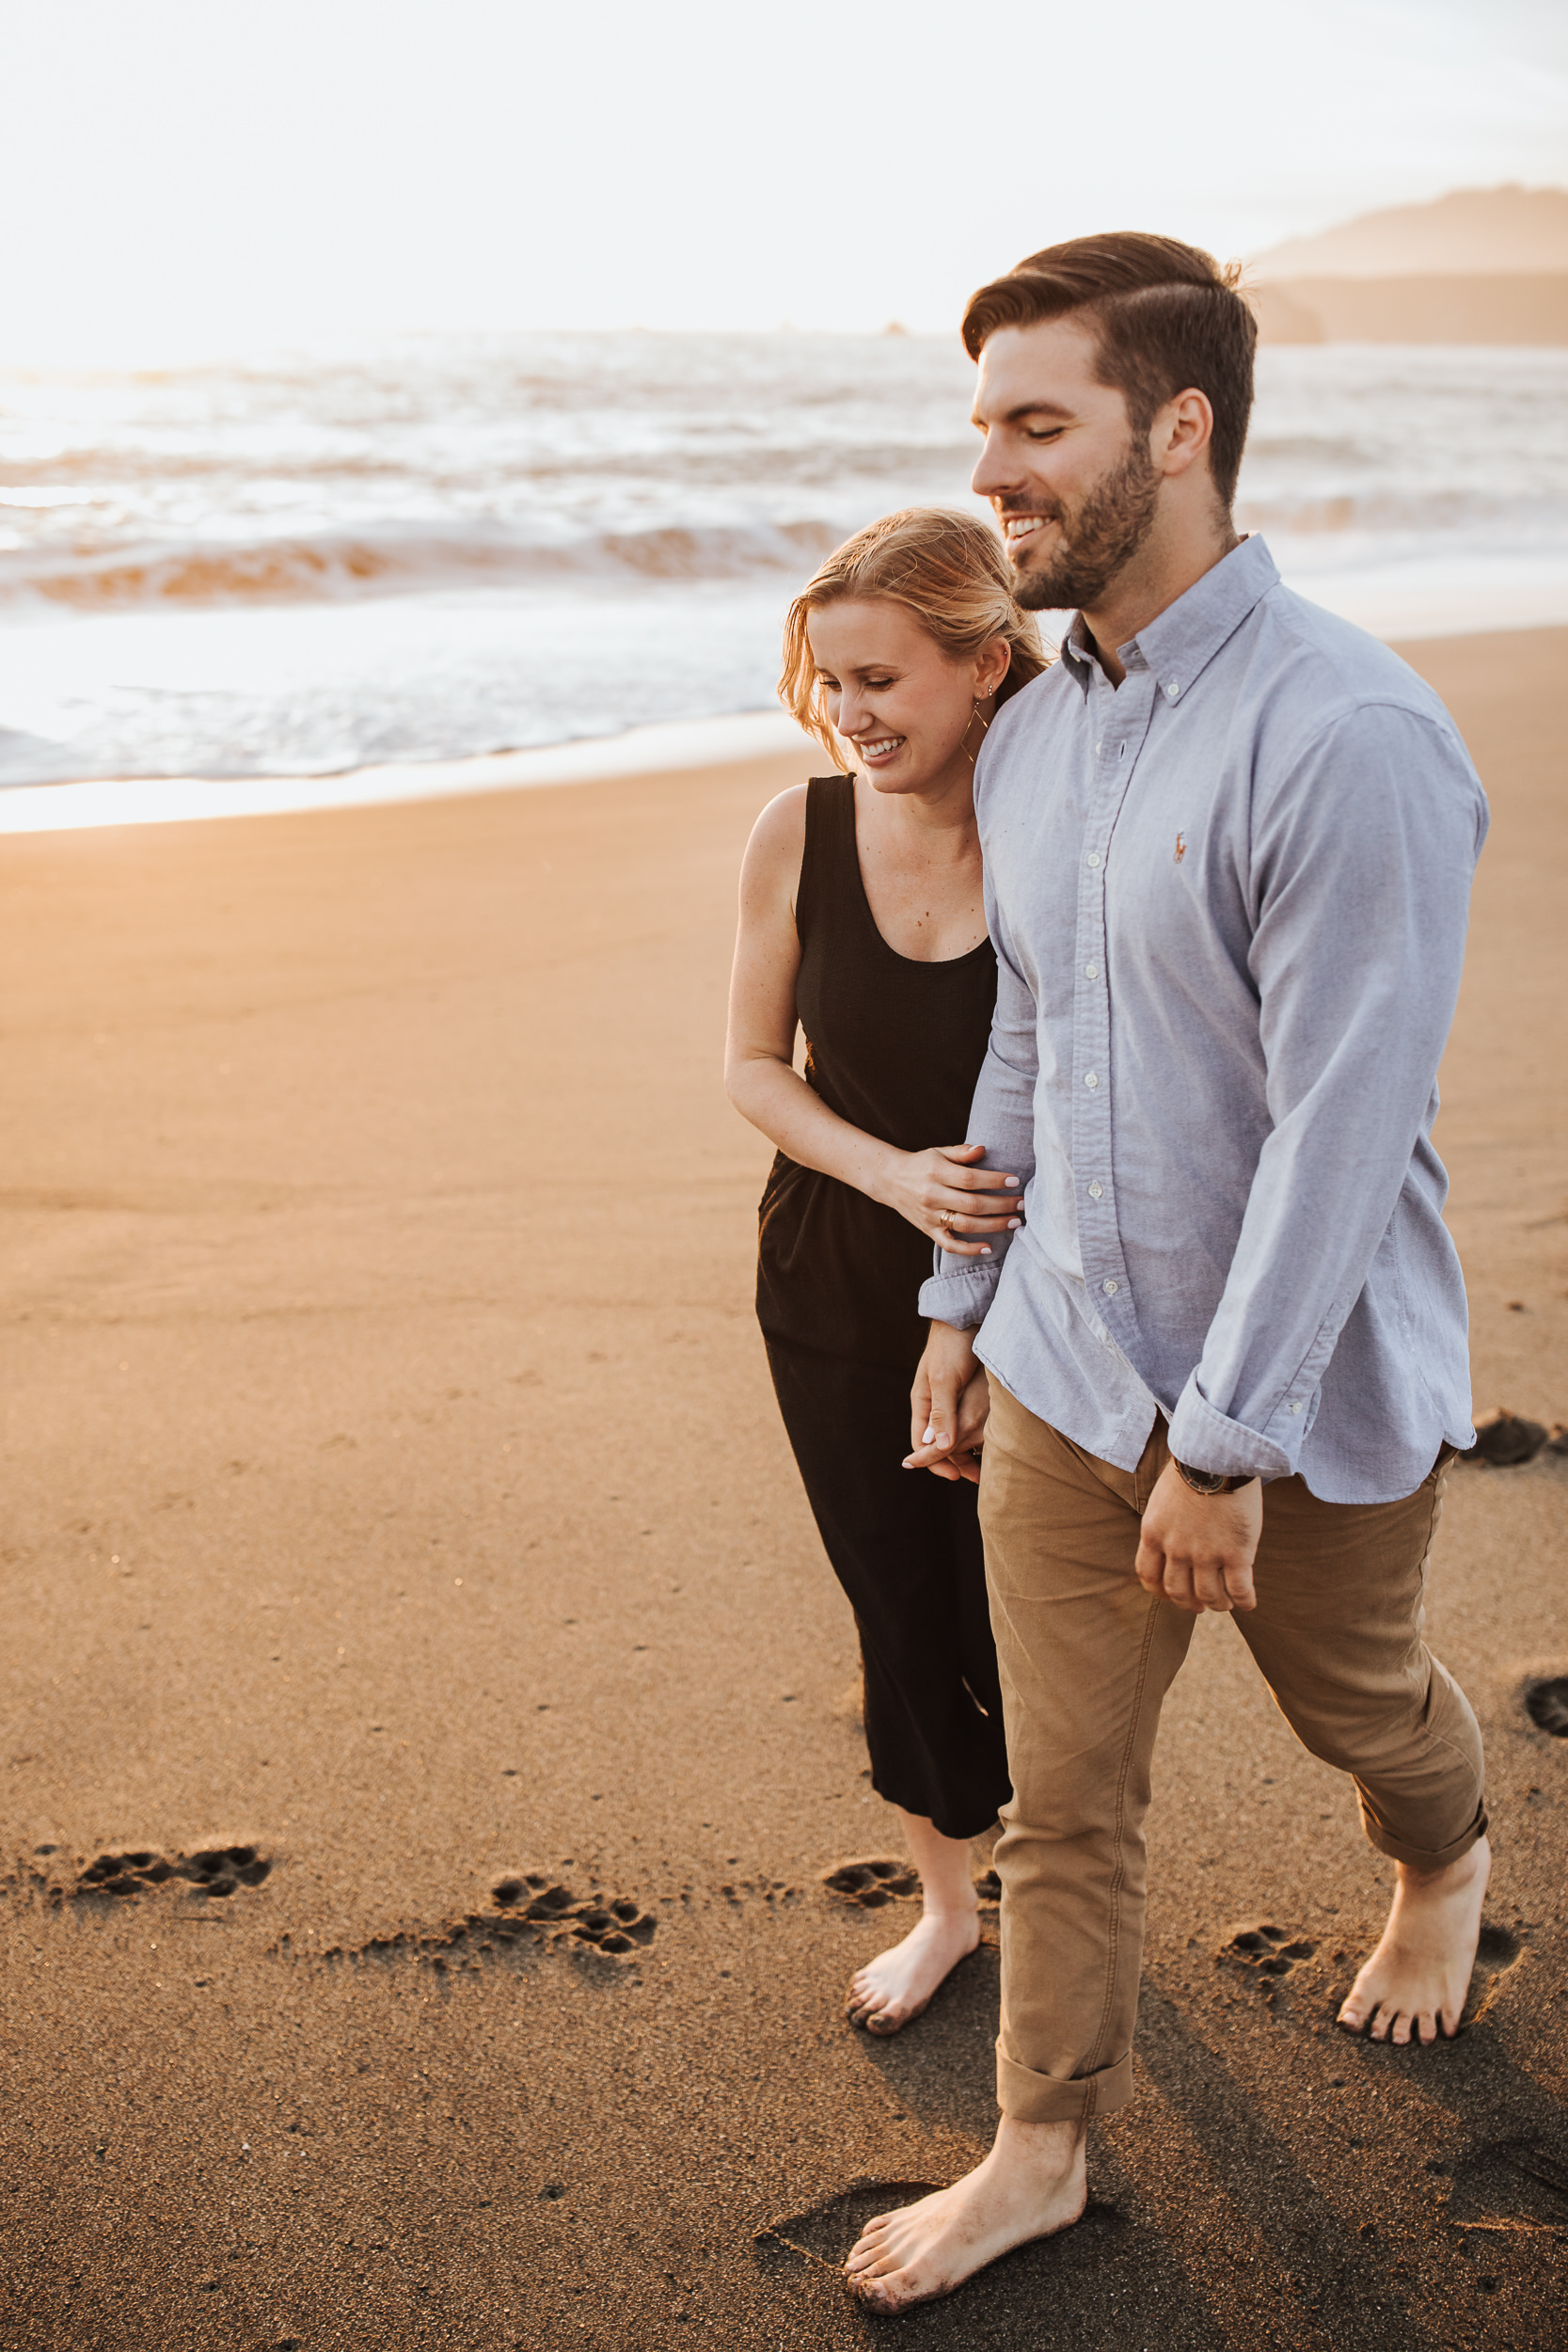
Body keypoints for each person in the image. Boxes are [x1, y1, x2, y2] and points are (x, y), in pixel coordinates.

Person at [845, 234, 1491, 2311]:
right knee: (1067, 1787)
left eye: (1039, 427)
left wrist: (1223, 1441)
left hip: (1290, 1391)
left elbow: (1338, 1129)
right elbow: (1027, 1026)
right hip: (1059, 1360)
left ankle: (1446, 1852)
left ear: (1179, 428)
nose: (995, 475)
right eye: (983, 431)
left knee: (1355, 1697)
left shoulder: (1351, 734)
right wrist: (961, 1315)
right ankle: (1040, 2146)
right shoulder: (1035, 733)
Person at [724, 509, 1047, 2034]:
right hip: (839, 1270)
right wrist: (892, 1175)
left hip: (1037, 1266)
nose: (851, 715)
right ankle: (945, 1906)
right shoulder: (798, 828)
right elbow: (750, 1070)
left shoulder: (1063, 822)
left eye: (881, 679)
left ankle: (1064, 1886)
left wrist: (969, 1262)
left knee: (1034, 1612)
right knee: (896, 1600)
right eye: (828, 680)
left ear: (986, 661)